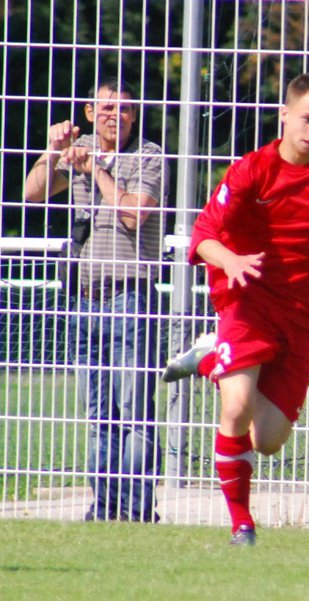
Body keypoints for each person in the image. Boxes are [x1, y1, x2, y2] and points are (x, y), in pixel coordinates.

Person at [169, 72, 309, 546]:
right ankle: (243, 524)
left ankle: (209, 358)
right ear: (284, 115)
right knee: (235, 408)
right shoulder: (251, 171)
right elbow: (203, 238)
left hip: (303, 315)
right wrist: (232, 260)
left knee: (269, 440)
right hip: (249, 301)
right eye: (306, 119)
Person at [24, 76, 169, 523]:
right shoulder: (79, 147)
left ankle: (138, 509)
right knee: (99, 414)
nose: (115, 116)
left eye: (124, 109)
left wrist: (97, 171)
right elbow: (31, 193)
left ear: (134, 115)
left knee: (134, 412)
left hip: (131, 298)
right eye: (106, 108)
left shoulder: (148, 156)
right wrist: (54, 150)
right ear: (89, 112)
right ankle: (104, 508)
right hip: (84, 301)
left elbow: (133, 213)